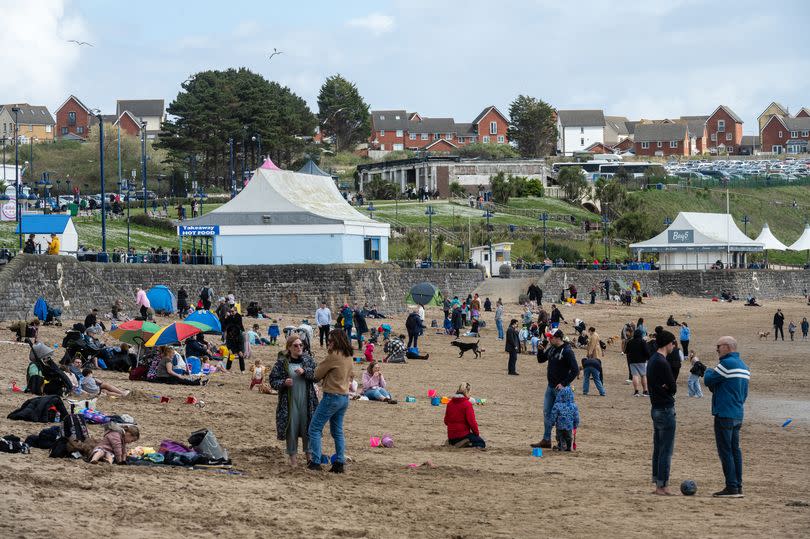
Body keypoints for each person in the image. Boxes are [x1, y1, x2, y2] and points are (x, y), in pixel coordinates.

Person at [704, 336, 750, 498]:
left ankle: (731, 487)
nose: (716, 349)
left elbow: (708, 380)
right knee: (735, 450)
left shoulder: (726, 364)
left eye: (719, 346)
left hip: (724, 413)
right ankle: (738, 486)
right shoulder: (744, 366)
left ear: (728, 347)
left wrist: (708, 369)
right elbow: (742, 393)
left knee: (725, 451)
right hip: (737, 413)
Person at [307, 329, 354, 473]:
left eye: (330, 340)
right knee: (337, 432)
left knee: (314, 428)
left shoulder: (333, 356)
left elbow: (316, 375)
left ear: (336, 341)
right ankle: (339, 462)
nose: (328, 342)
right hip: (344, 397)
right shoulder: (348, 356)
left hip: (332, 396)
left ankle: (315, 462)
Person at [269, 335, 319, 467]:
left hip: (307, 401)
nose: (299, 348)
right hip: (289, 402)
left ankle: (309, 458)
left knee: (308, 428)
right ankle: (293, 461)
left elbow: (317, 375)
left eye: (301, 345)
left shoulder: (308, 360)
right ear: (289, 347)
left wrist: (305, 371)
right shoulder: (281, 362)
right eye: (295, 345)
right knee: (291, 429)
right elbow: (272, 380)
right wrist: (283, 382)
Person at [532, 329, 579, 449]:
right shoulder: (552, 348)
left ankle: (561, 442)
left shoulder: (567, 351)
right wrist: (540, 350)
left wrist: (564, 383)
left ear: (558, 338)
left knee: (561, 415)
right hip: (550, 386)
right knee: (547, 413)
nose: (549, 339)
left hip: (561, 390)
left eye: (551, 337)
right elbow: (541, 359)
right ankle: (546, 440)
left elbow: (575, 370)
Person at [647, 330, 678, 495]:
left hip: (656, 407)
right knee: (666, 449)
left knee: (658, 448)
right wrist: (667, 387)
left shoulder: (653, 359)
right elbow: (673, 387)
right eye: (673, 343)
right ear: (668, 343)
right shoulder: (662, 361)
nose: (674, 346)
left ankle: (657, 482)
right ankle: (662, 485)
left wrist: (666, 386)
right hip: (665, 408)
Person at [444, 382, 486, 449]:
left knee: (473, 438)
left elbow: (446, 421)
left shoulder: (450, 404)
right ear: (467, 392)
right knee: (481, 443)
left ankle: (453, 443)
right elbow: (472, 422)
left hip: (451, 436)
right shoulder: (467, 404)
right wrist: (476, 434)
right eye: (470, 392)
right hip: (462, 435)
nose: (470, 394)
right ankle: (463, 444)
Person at [548, 386, 580, 451]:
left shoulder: (557, 405)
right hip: (569, 426)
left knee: (559, 436)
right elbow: (576, 416)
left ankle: (561, 444)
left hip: (560, 425)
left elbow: (553, 415)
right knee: (568, 437)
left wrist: (552, 422)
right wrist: (575, 424)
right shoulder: (573, 406)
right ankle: (568, 446)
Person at [626, 329, 650, 397]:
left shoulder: (630, 342)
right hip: (642, 361)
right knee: (643, 375)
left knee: (634, 375)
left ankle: (636, 391)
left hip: (632, 361)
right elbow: (646, 351)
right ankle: (645, 391)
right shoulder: (643, 342)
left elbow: (626, 351)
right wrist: (648, 357)